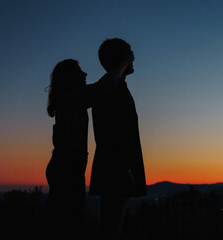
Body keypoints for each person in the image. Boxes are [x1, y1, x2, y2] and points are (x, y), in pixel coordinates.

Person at [45, 56, 132, 239]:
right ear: (69, 77)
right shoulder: (71, 98)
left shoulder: (69, 99)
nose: (84, 73)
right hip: (67, 167)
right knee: (68, 225)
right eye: (78, 71)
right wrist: (123, 62)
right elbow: (104, 86)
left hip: (66, 166)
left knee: (65, 222)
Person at [89, 38, 147, 240]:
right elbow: (111, 134)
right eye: (129, 54)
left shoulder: (116, 87)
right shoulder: (109, 88)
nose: (133, 58)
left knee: (113, 227)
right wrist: (124, 169)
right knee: (112, 229)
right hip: (116, 169)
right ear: (121, 58)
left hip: (117, 168)